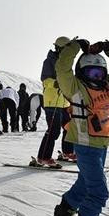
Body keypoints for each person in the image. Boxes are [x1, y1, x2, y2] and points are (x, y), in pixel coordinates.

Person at [52, 38, 109, 216]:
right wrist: (76, 47)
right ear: (82, 73)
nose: (97, 77)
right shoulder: (75, 87)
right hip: (85, 145)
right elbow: (62, 68)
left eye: (100, 73)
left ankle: (64, 213)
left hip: (103, 143)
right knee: (99, 191)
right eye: (92, 73)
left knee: (86, 183)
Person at [34, 36, 74, 166]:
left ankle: (67, 152)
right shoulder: (49, 61)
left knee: (69, 127)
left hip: (64, 102)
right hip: (52, 101)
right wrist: (57, 83)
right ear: (60, 48)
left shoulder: (66, 62)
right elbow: (45, 80)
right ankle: (43, 157)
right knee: (54, 130)